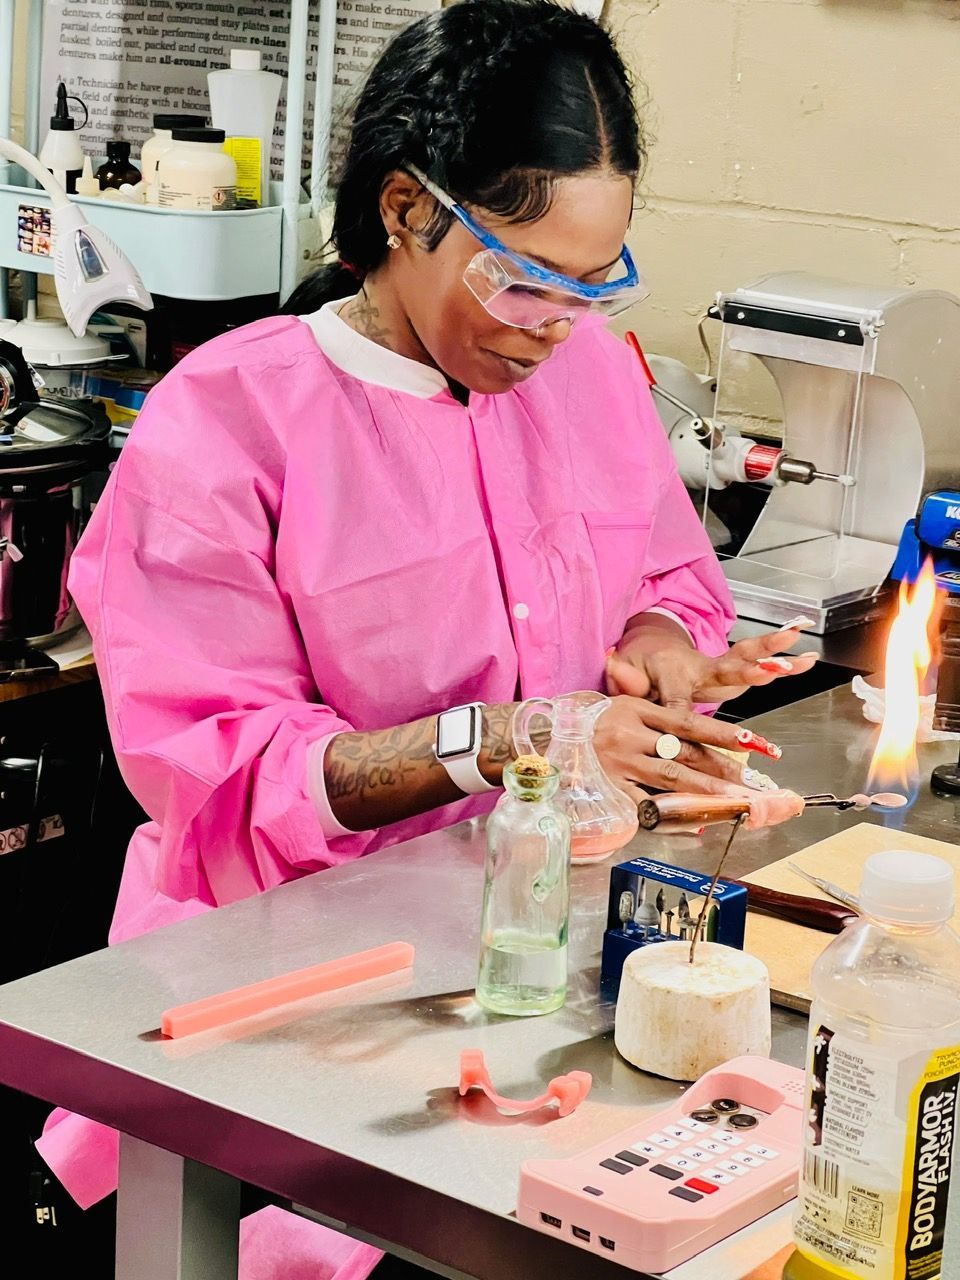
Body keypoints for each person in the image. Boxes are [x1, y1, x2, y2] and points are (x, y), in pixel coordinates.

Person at [37, 1, 814, 1274]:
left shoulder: (590, 373)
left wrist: (662, 634)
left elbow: (667, 563)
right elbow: (225, 776)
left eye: (594, 283)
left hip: (526, 963)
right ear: (406, 212)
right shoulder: (226, 424)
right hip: (281, 1007)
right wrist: (508, 738)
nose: (551, 324)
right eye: (520, 277)